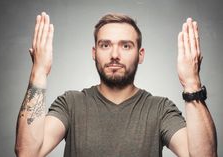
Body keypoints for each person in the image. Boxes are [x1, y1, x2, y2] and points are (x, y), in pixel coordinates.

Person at [15, 12, 217, 157]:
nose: (114, 55)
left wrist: (191, 82)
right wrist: (39, 72)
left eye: (126, 46)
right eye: (105, 45)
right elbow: (27, 152)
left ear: (140, 55)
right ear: (94, 53)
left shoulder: (159, 109)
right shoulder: (71, 103)